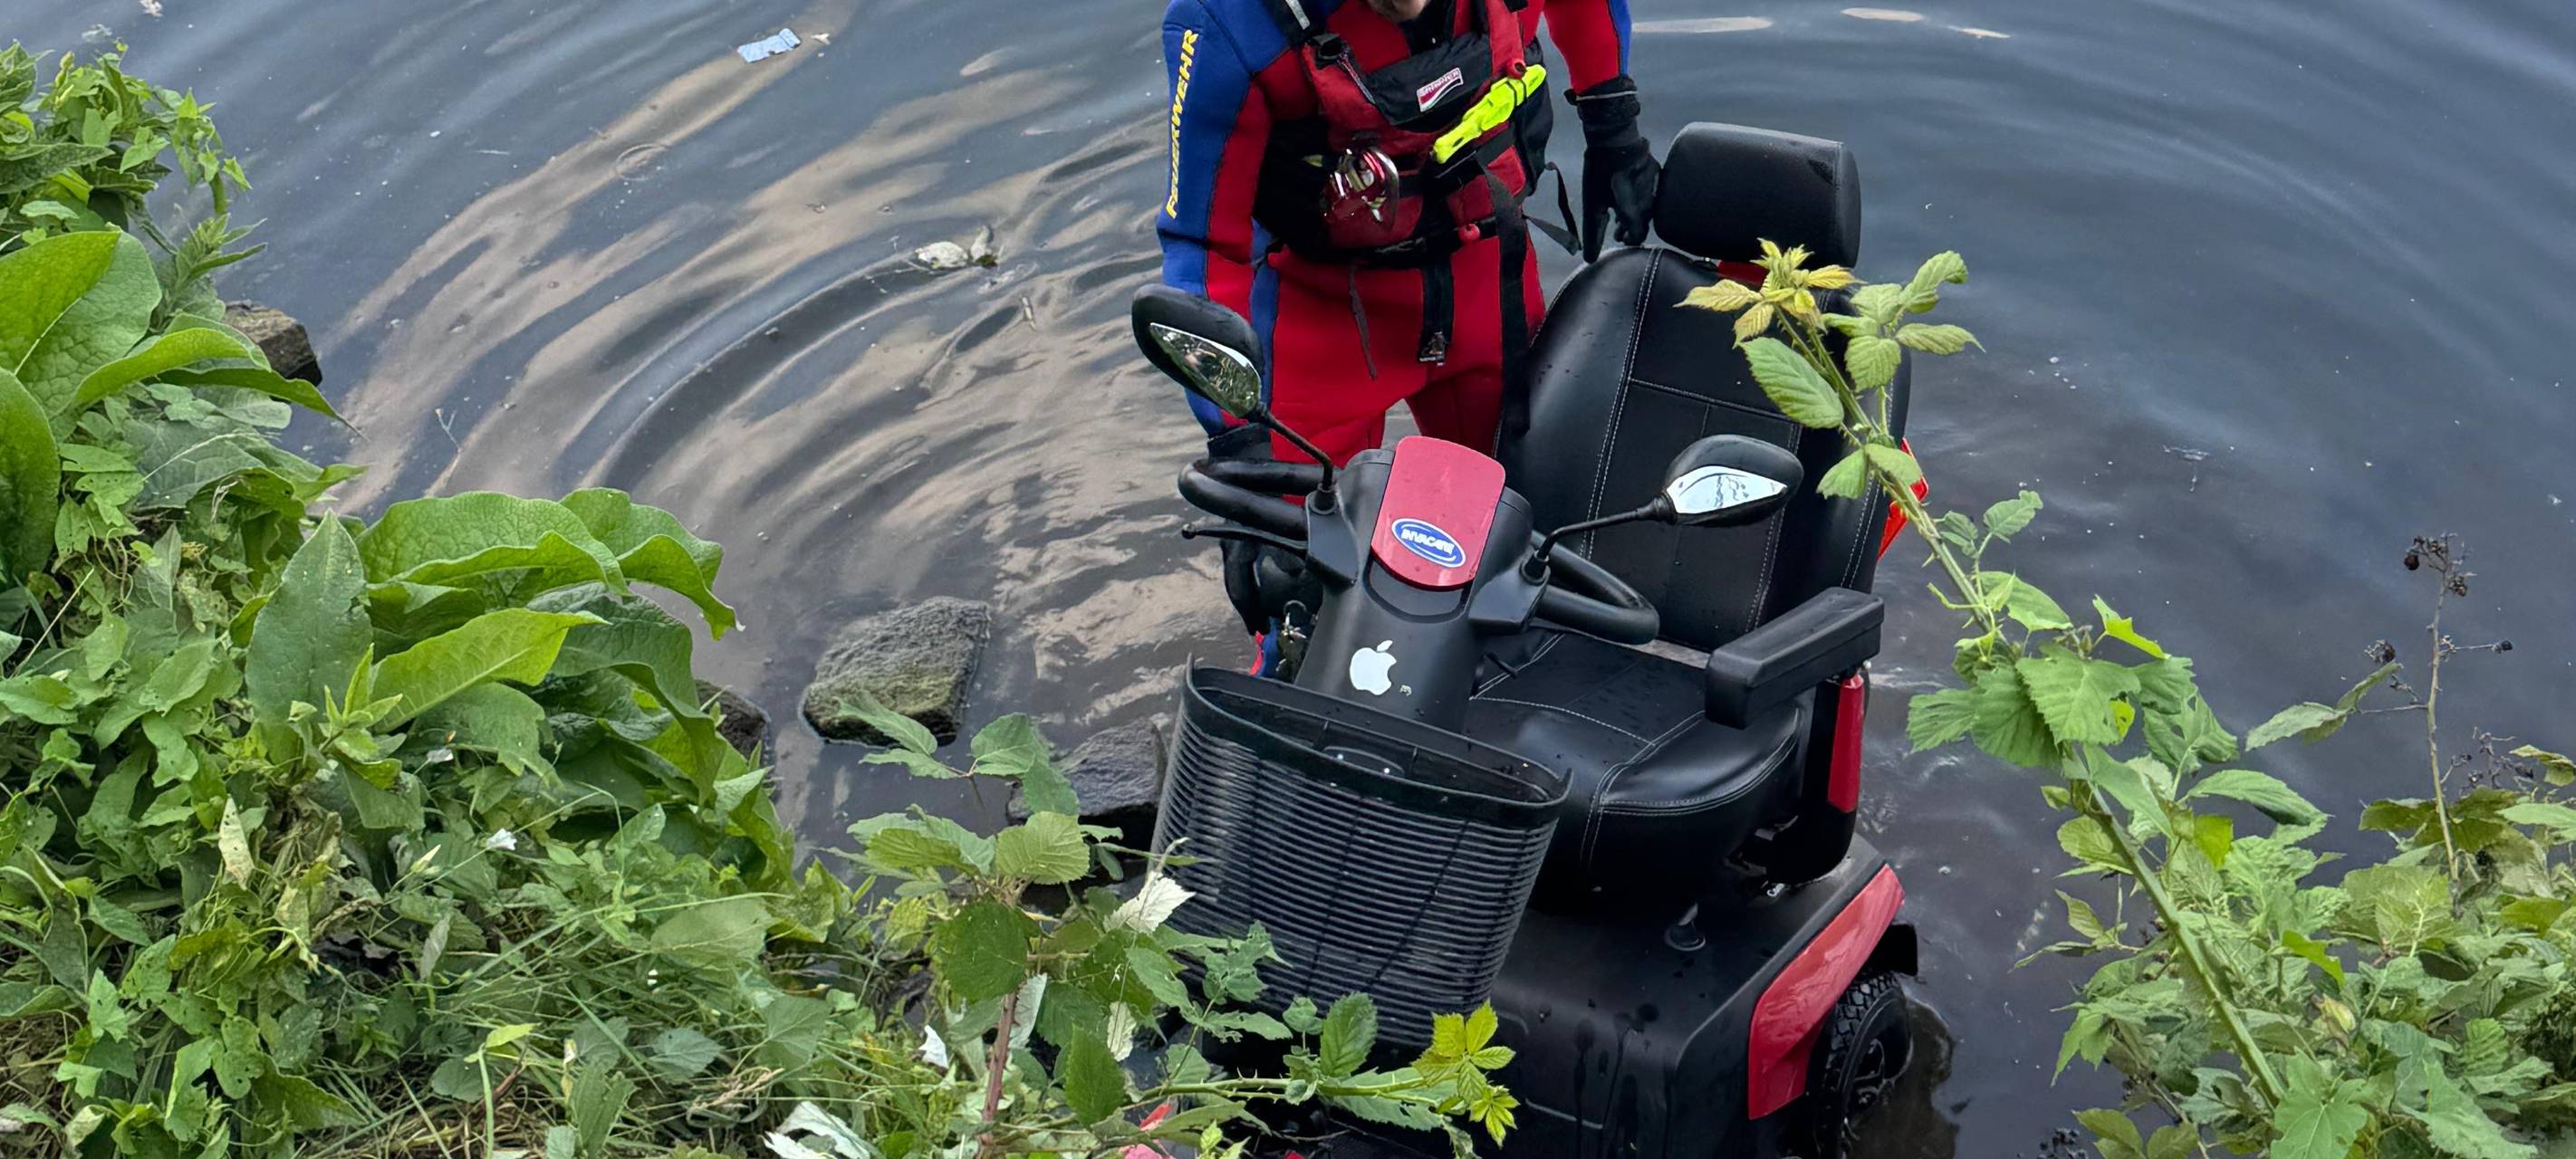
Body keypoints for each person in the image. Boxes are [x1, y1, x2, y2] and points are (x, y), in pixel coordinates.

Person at [1157, 0, 1657, 667]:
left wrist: (1613, 123)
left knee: (1533, 562)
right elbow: (1200, 250)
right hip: (1319, 317)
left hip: (1486, 282)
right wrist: (1240, 448)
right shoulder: (1232, 21)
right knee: (1296, 601)